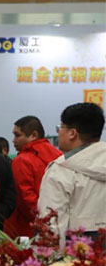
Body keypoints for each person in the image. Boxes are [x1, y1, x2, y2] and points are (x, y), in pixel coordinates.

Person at [38, 102, 106, 241]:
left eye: (60, 127)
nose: (58, 132)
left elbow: (51, 225)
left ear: (72, 133)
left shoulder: (60, 170)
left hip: (78, 250)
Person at [4, 116, 63, 238]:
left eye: (17, 135)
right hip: (59, 223)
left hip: (28, 228)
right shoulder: (59, 155)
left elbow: (26, 199)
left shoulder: (22, 160)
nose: (13, 140)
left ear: (33, 135)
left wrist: (41, 222)